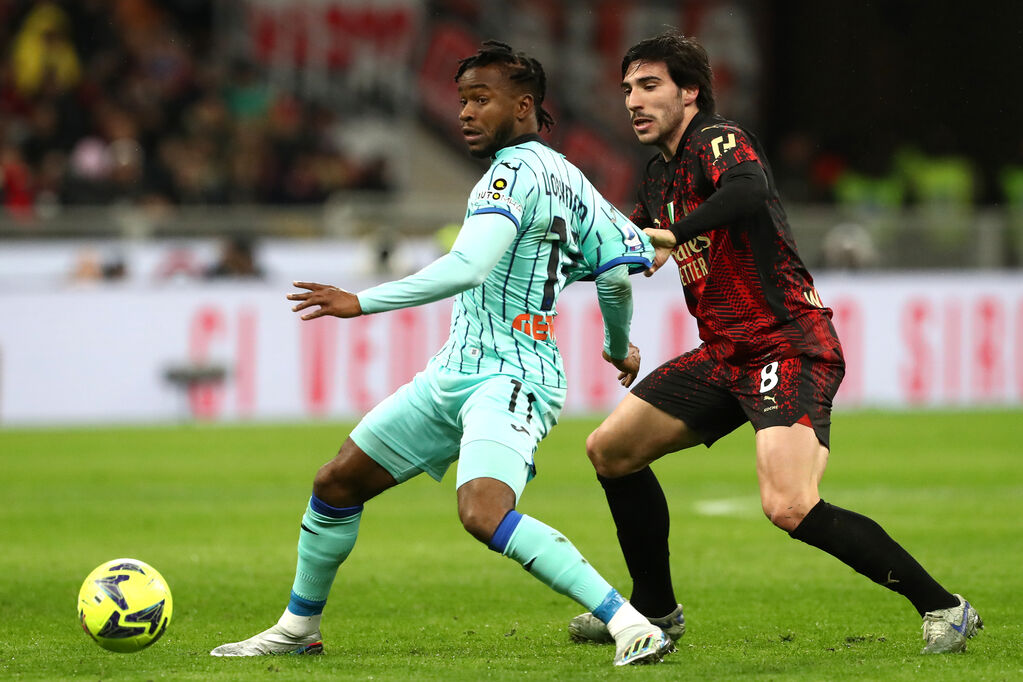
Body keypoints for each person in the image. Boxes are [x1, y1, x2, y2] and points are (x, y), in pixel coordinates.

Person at [210, 41, 674, 667]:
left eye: (481, 99)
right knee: (338, 482)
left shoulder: (512, 173)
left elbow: (470, 264)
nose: (464, 112)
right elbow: (618, 276)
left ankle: (628, 622)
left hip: (510, 376)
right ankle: (299, 627)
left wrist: (362, 301)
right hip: (456, 371)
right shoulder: (575, 182)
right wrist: (620, 347)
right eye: (462, 100)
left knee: (483, 511)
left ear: (524, 105)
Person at [566, 31, 982, 655]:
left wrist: (673, 234)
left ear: (690, 91)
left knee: (789, 505)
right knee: (611, 449)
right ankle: (654, 607)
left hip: (785, 342)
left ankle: (945, 607)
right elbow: (629, 249)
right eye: (627, 89)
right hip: (724, 353)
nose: (634, 100)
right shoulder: (657, 178)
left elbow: (749, 191)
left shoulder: (718, 140)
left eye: (650, 86)